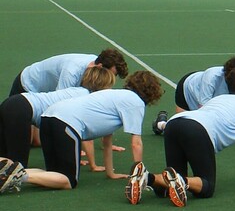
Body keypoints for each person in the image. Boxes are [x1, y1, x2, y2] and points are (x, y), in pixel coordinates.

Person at [125, 66, 235, 207]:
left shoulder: (218, 99)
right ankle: (182, 182)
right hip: (197, 130)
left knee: (169, 186)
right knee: (206, 187)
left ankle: (146, 177)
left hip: (174, 124)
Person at [0, 71, 163, 193]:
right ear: (151, 92)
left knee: (54, 175)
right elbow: (136, 143)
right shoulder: (135, 102)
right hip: (65, 123)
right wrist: (140, 174)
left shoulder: (115, 95)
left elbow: (107, 141)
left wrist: (110, 173)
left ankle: (11, 170)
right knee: (68, 181)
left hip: (48, 117)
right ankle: (17, 175)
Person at [0, 66, 115, 168]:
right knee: (18, 165)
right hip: (20, 109)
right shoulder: (86, 99)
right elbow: (85, 137)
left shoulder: (76, 91)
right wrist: (93, 165)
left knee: (4, 157)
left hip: (12, 103)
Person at [153, 56, 235, 135]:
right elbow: (204, 111)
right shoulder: (211, 77)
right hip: (187, 91)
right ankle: (161, 124)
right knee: (181, 130)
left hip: (213, 98)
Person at [9, 49, 128, 95]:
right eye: (113, 74)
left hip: (44, 93)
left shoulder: (96, 70)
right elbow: (59, 104)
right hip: (27, 86)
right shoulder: (72, 71)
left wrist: (107, 143)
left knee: (37, 141)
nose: (112, 78)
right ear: (100, 66)